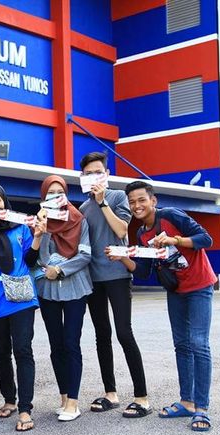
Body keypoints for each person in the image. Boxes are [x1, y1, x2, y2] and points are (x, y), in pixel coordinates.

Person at [107, 181, 216, 432]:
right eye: (132, 202)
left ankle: (202, 408)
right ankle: (186, 401)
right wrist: (122, 256)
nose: (136, 206)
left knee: (199, 343)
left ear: (153, 201)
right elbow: (144, 272)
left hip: (200, 285)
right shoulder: (140, 234)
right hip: (175, 290)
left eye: (141, 200)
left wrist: (174, 239)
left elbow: (206, 239)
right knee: (181, 345)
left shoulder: (171, 216)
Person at [79, 152, 151, 418]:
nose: (94, 177)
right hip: (93, 279)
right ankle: (111, 393)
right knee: (101, 336)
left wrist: (102, 203)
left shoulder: (119, 197)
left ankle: (141, 397)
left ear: (106, 175)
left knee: (124, 332)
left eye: (98, 172)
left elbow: (122, 231)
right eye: (88, 174)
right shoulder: (82, 209)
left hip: (118, 276)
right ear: (82, 178)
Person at [0, 183, 43, 432]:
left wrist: (37, 238)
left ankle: (25, 408)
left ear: (5, 202)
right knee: (1, 352)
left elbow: (31, 260)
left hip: (22, 298)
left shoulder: (21, 226)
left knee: (23, 350)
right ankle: (9, 399)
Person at [34, 175, 92, 421]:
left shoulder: (79, 219)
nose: (56, 196)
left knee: (71, 342)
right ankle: (63, 396)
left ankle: (74, 402)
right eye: (50, 192)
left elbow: (85, 255)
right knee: (56, 344)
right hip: (48, 289)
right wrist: (44, 225)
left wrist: (60, 269)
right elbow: (39, 254)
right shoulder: (40, 220)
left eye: (60, 192)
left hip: (75, 285)